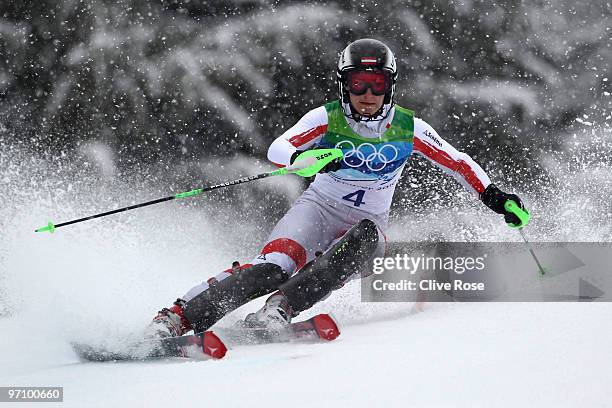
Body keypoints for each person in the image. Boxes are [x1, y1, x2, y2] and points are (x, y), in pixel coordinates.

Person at [149, 38, 528, 340]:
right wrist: (307, 159)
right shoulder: (327, 117)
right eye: (357, 84)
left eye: (376, 84)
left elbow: (458, 162)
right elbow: (278, 148)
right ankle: (177, 319)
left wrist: (497, 198)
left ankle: (278, 309)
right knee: (273, 268)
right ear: (344, 85)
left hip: (366, 225)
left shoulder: (408, 127)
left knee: (362, 239)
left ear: (389, 87)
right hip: (317, 209)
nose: (366, 93)